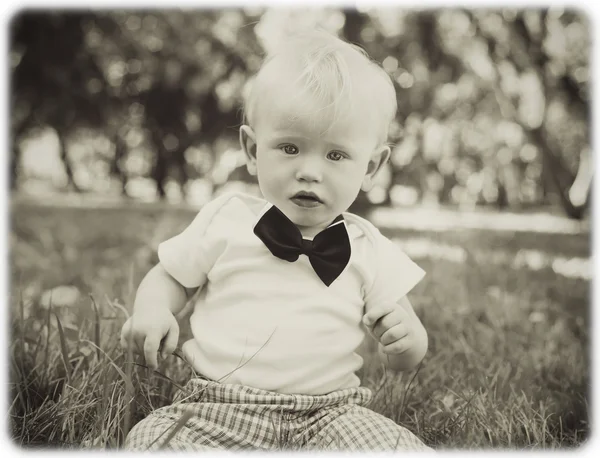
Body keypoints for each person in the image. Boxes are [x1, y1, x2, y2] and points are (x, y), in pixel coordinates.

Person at [120, 28, 432, 452]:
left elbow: (406, 356)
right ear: (252, 149)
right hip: (217, 406)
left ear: (372, 167)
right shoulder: (227, 219)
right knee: (152, 440)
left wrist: (406, 341)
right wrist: (153, 312)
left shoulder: (369, 248)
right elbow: (170, 277)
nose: (309, 171)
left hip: (330, 414)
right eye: (289, 148)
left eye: (336, 155)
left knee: (394, 447)